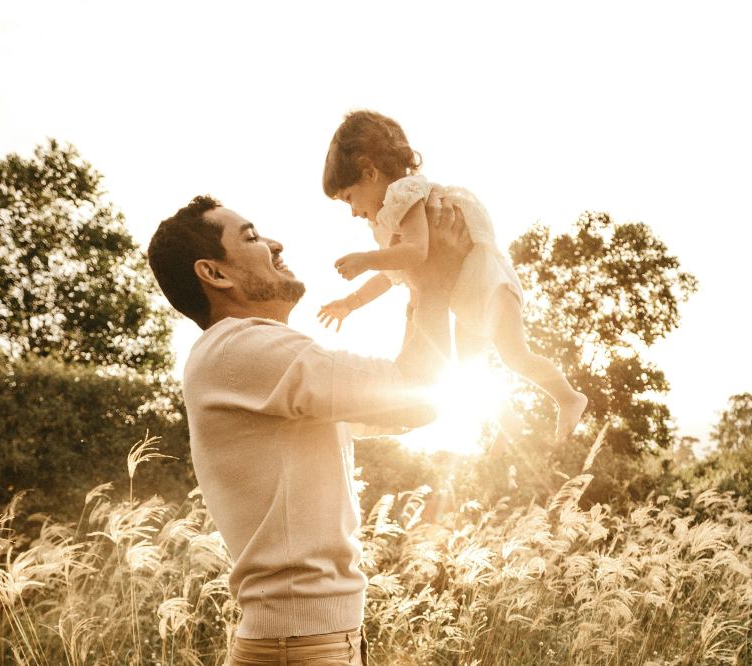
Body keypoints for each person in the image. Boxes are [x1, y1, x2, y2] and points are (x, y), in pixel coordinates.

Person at [146, 194, 469, 665]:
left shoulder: (248, 361)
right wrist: (429, 277)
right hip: (300, 647)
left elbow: (412, 407)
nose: (276, 244)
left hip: (308, 642)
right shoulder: (242, 349)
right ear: (214, 274)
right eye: (252, 237)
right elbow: (418, 390)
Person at [318, 110, 588, 442]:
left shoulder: (404, 193)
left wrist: (366, 260)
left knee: (515, 355)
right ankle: (511, 433)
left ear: (370, 172)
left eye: (349, 198)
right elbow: (394, 274)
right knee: (469, 372)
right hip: (464, 296)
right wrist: (351, 302)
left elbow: (415, 252)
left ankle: (568, 397)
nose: (354, 212)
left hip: (488, 283)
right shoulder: (391, 217)